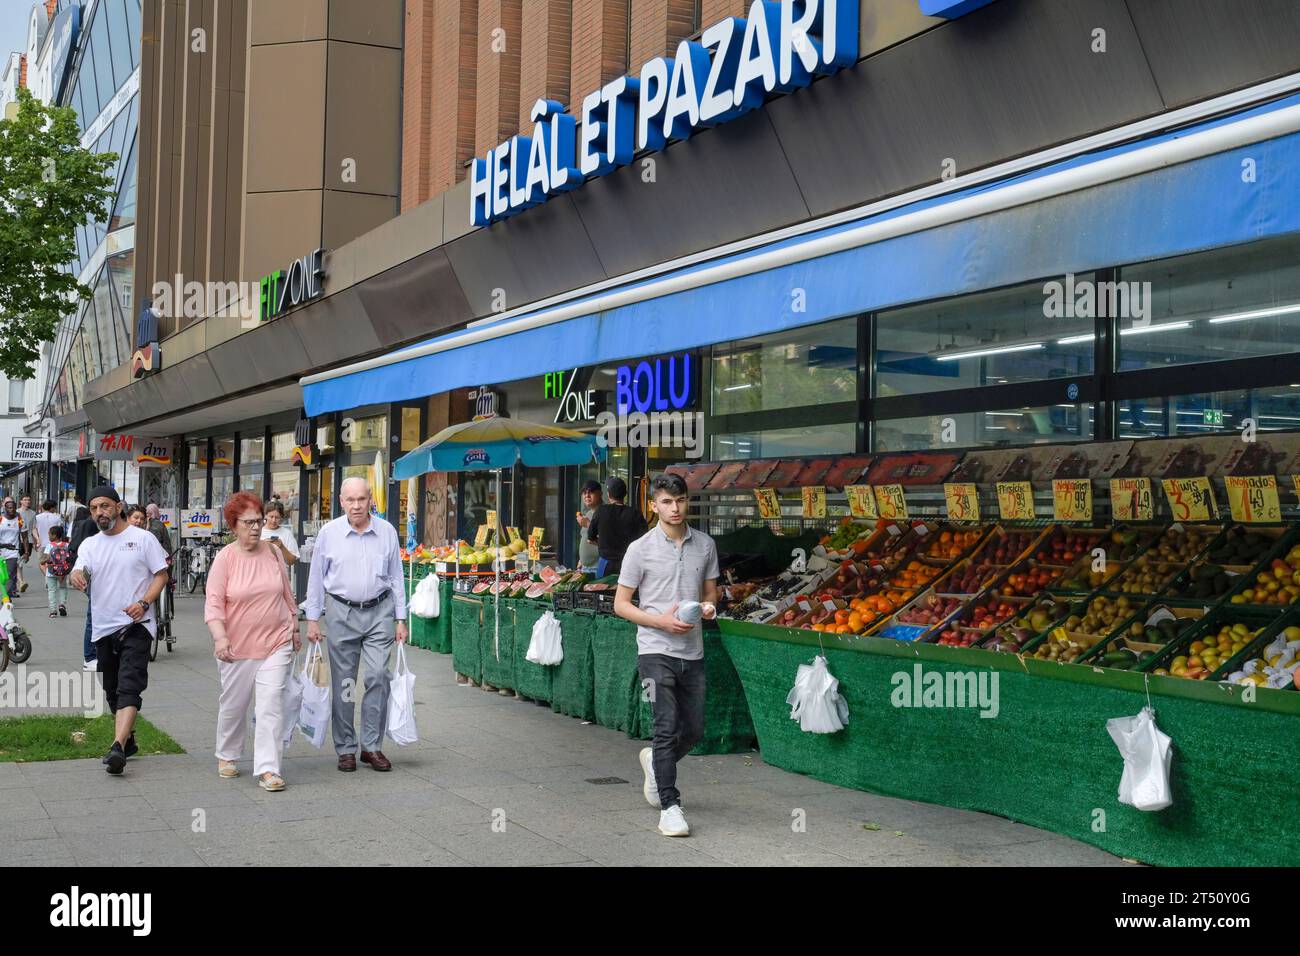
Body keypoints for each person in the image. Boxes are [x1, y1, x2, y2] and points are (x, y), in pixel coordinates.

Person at [613, 473, 719, 838]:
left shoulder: (705, 545)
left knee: (694, 730)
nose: (675, 509)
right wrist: (660, 621)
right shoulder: (639, 549)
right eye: (667, 502)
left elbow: (710, 592)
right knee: (666, 726)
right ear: (654, 505)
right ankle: (670, 806)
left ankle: (656, 765)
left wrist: (707, 608)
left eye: (681, 501)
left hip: (693, 651)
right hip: (654, 650)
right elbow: (621, 605)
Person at [305, 476, 408, 773]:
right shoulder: (329, 533)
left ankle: (372, 746)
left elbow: (397, 577)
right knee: (345, 682)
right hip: (341, 613)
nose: (356, 505)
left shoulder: (387, 532)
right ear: (341, 502)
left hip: (379, 612)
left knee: (378, 676)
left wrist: (401, 618)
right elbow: (315, 578)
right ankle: (346, 748)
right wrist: (313, 619)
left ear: (371, 499)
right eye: (350, 500)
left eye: (361, 499)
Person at [69, 487, 170, 775]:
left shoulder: (143, 539)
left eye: (105, 506)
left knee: (129, 684)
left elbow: (161, 574)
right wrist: (77, 575)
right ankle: (129, 741)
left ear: (118, 506)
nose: (100, 512)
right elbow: (81, 569)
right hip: (103, 627)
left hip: (136, 625)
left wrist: (144, 602)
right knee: (111, 689)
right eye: (94, 509)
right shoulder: (90, 544)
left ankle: (117, 748)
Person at [205, 492, 300, 792]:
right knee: (235, 703)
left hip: (276, 640)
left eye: (259, 521)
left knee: (271, 702)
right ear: (234, 525)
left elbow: (287, 594)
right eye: (249, 522)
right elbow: (214, 604)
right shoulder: (225, 559)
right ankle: (228, 753)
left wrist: (294, 627)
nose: (257, 528)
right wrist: (220, 637)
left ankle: (269, 768)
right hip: (236, 646)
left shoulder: (273, 554)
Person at [587, 476, 647, 578]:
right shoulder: (635, 513)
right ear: (625, 495)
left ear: (609, 494)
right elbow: (645, 540)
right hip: (629, 564)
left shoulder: (601, 511)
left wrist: (604, 544)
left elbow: (590, 539)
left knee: (602, 591)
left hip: (605, 565)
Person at [69, 505, 96, 670]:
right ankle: (90, 656)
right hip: (90, 574)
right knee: (93, 614)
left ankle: (92, 655)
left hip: (86, 574)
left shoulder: (83, 524)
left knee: (94, 614)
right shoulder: (92, 527)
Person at [40, 525, 72, 618]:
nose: (48, 536)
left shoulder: (49, 545)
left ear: (54, 535)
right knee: (62, 588)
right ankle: (62, 604)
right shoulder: (66, 545)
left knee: (51, 591)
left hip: (51, 571)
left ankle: (53, 611)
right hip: (63, 572)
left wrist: (43, 561)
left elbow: (45, 559)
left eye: (49, 534)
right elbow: (70, 557)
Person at [574, 479, 602, 572]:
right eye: (584, 492)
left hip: (598, 567)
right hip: (584, 567)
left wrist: (587, 524)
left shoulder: (606, 512)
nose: (587, 495)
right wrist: (581, 560)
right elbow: (585, 538)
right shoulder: (588, 514)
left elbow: (608, 539)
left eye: (591, 492)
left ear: (600, 494)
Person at [0, 497, 23, 594]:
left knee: (9, 575)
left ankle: (6, 598)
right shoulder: (1, 519)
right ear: (5, 508)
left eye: (13, 507)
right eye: (9, 508)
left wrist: (26, 551)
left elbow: (24, 536)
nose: (12, 509)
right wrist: (4, 545)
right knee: (3, 576)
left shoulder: (19, 520)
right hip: (1, 551)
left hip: (13, 553)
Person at [17, 494, 35, 592]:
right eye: (25, 500)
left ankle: (19, 581)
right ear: (21, 501)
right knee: (18, 562)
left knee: (22, 561)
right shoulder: (16, 512)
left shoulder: (33, 513)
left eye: (28, 500)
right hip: (18, 540)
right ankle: (21, 582)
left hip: (29, 541)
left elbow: (34, 528)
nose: (27, 501)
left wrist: (37, 540)